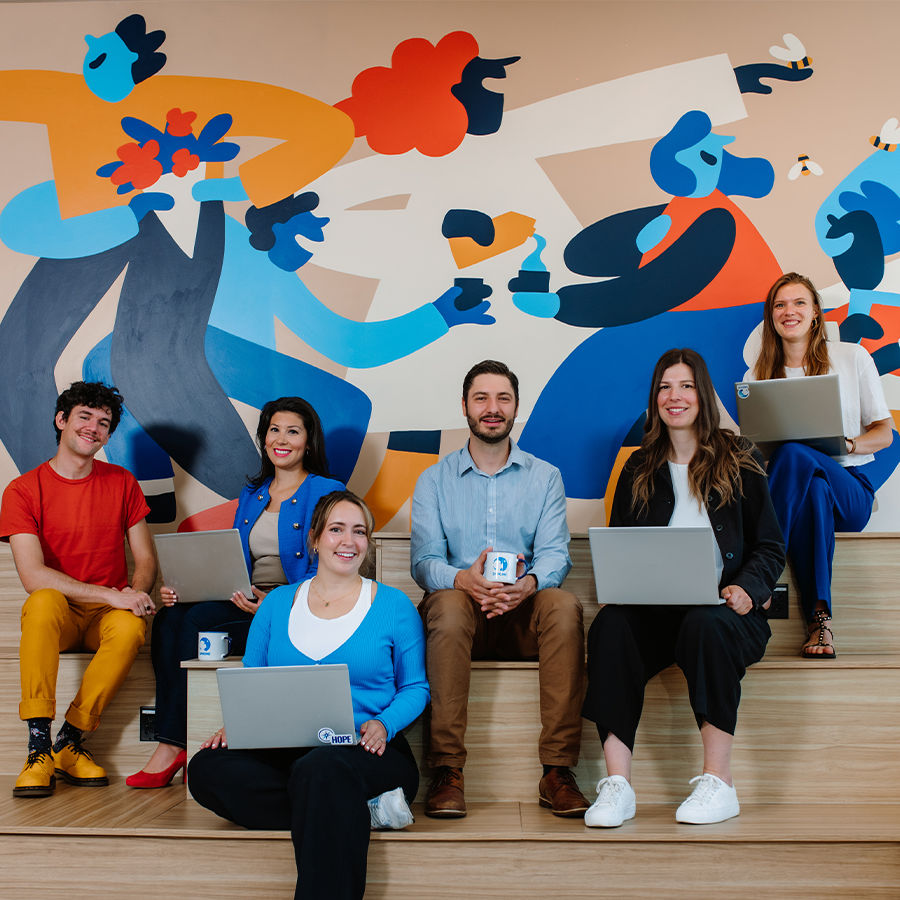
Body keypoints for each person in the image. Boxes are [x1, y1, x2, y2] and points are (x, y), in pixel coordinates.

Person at [188, 490, 428, 900]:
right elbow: (252, 678)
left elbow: (416, 688)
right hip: (288, 752)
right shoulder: (277, 604)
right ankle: (355, 810)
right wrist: (239, 726)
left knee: (322, 770)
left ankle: (335, 803)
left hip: (366, 752)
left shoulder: (393, 605)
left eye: (359, 532)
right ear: (314, 538)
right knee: (205, 768)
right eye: (336, 530)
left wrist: (383, 724)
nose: (348, 541)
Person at [582, 348, 784, 827]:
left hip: (725, 613)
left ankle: (719, 783)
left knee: (705, 623)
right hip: (656, 614)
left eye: (686, 386)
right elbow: (623, 546)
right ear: (655, 399)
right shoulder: (638, 468)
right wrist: (619, 583)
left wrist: (747, 589)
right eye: (665, 387)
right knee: (610, 626)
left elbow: (771, 547)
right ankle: (618, 786)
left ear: (703, 395)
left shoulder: (741, 458)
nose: (675, 396)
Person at [127, 397, 344, 788]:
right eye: (273, 430)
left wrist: (274, 601)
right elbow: (234, 563)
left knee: (194, 622)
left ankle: (176, 742)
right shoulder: (254, 494)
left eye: (292, 431)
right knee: (168, 618)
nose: (281, 439)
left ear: (308, 442)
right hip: (243, 600)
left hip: (288, 609)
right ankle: (173, 741)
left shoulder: (327, 491)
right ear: (263, 439)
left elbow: (331, 567)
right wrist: (189, 588)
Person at [410, 359, 588, 818]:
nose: (493, 408)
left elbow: (555, 555)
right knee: (447, 606)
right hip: (459, 614)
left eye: (503, 398)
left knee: (564, 605)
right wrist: (463, 580)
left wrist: (528, 585)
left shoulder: (545, 476)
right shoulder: (433, 480)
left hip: (523, 613)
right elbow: (424, 561)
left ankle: (557, 771)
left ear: (515, 407)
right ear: (465, 407)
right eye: (482, 398)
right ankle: (447, 771)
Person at [0, 381, 156, 798]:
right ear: (61, 421)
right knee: (42, 600)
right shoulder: (21, 490)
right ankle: (37, 748)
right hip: (62, 615)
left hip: (105, 618)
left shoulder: (122, 482)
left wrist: (137, 596)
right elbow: (33, 574)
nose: (94, 427)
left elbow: (144, 561)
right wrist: (111, 594)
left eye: (104, 422)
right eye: (85, 417)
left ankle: (69, 740)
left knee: (128, 628)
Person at [745, 272, 897, 658]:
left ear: (815, 313)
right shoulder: (757, 376)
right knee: (810, 486)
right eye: (780, 305)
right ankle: (820, 622)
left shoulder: (851, 357)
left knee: (795, 453)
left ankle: (759, 566)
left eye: (799, 303)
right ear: (771, 316)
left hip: (850, 491)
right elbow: (756, 454)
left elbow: (885, 433)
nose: (789, 311)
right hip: (800, 497)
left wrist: (846, 443)